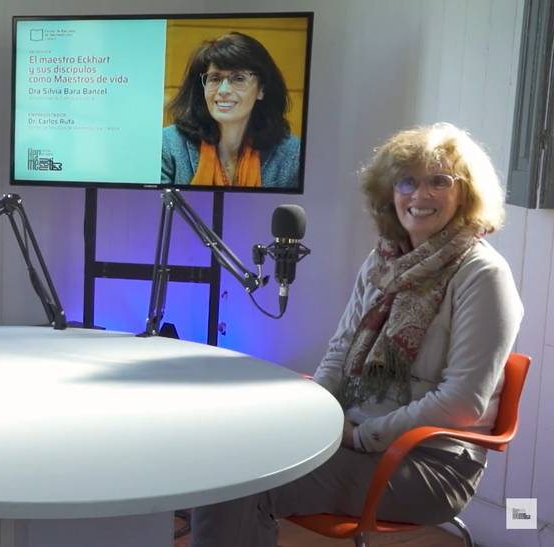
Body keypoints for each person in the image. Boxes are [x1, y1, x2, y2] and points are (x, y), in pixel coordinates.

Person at [190, 122, 523, 546]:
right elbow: (339, 351)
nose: (420, 196)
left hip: (426, 462)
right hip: (352, 436)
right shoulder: (384, 260)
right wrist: (315, 417)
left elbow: (462, 402)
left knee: (240, 485)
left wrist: (364, 435)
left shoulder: (483, 274)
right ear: (389, 193)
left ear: (466, 194)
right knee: (229, 452)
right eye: (407, 182)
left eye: (439, 181)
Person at [161, 32, 300, 188]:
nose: (224, 90)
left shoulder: (292, 154)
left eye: (239, 78)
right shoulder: (168, 145)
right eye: (215, 78)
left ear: (262, 89)